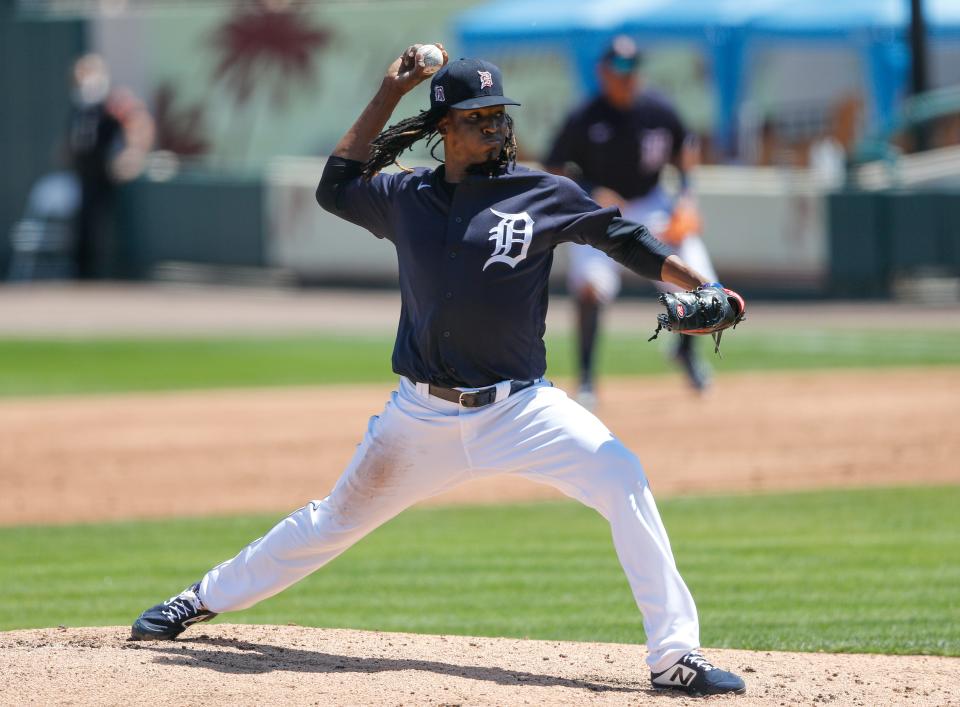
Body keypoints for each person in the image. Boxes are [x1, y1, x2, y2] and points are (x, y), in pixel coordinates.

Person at [130, 44, 746, 698]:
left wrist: (706, 282)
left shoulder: (542, 192)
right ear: (445, 127)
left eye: (499, 115)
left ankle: (673, 656)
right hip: (419, 416)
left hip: (522, 409)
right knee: (330, 521)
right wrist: (388, 92)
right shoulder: (406, 197)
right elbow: (333, 186)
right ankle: (200, 597)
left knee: (622, 474)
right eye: (478, 116)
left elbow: (625, 238)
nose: (495, 127)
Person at [544, 36, 718, 406]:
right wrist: (593, 190)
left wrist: (686, 197)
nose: (628, 75)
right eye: (619, 68)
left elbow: (686, 147)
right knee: (590, 289)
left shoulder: (657, 108)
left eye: (633, 67)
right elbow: (554, 167)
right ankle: (588, 377)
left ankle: (686, 352)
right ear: (602, 72)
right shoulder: (586, 116)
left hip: (653, 203)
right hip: (601, 211)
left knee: (699, 283)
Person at [66, 54, 154, 279]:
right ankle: (84, 275)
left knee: (110, 227)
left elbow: (138, 123)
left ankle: (117, 275)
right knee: (85, 225)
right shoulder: (80, 108)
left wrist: (132, 152)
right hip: (85, 175)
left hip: (111, 175)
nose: (85, 83)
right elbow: (74, 142)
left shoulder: (113, 102)